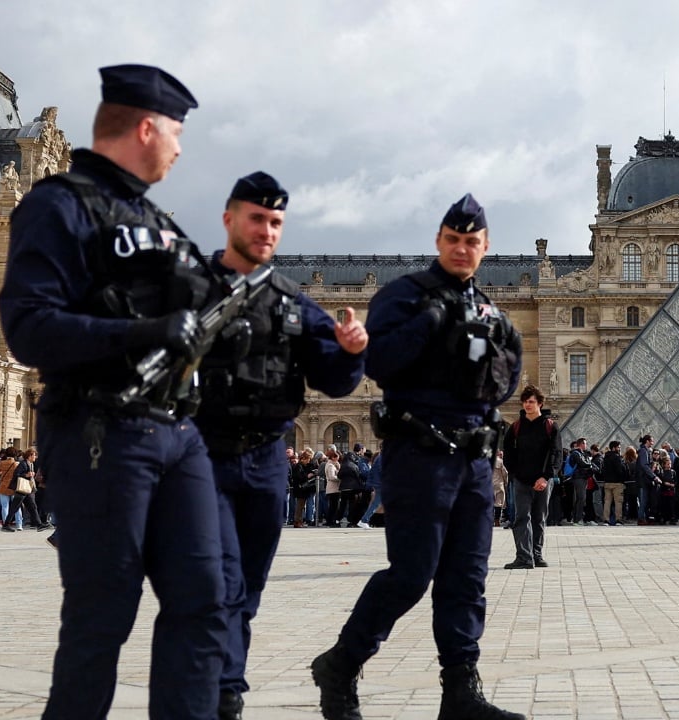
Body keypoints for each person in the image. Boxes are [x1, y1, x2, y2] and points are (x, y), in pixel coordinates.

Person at [0, 64, 230, 719]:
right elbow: (29, 328)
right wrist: (146, 331)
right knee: (102, 618)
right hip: (103, 430)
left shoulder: (157, 220)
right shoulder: (58, 206)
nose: (182, 150)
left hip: (177, 434)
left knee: (206, 602)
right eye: (177, 133)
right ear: (147, 128)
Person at [311, 193, 524, 720]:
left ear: (485, 247)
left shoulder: (493, 314)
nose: (462, 248)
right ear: (439, 241)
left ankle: (461, 693)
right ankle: (342, 663)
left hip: (473, 461)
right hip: (420, 453)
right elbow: (378, 361)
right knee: (411, 574)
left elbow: (507, 381)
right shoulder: (404, 296)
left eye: (472, 241)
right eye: (453, 240)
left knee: (467, 579)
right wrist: (429, 323)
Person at [191, 171, 367, 719]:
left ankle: (227, 694)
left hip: (268, 458)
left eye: (275, 222)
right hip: (204, 455)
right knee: (217, 581)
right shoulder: (190, 291)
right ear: (229, 219)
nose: (266, 230)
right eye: (256, 218)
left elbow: (336, 382)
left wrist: (351, 351)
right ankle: (219, 693)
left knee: (247, 586)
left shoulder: (294, 305)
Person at [502, 384, 561, 569]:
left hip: (543, 481)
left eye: (531, 402)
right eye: (525, 401)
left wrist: (546, 477)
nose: (527, 405)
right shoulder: (515, 427)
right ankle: (523, 556)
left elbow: (556, 453)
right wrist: (516, 475)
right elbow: (508, 454)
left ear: (540, 404)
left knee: (539, 518)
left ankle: (536, 554)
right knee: (521, 518)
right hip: (521, 480)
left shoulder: (551, 426)